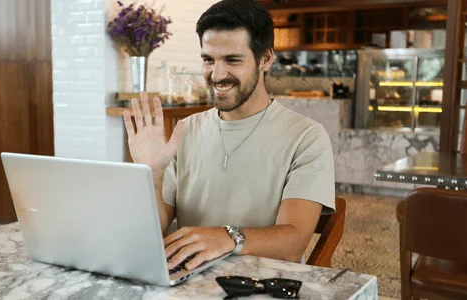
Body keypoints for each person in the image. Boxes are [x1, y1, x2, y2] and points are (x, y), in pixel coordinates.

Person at [122, 0, 335, 272]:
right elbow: (154, 227)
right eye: (209, 60)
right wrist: (152, 172)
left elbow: (293, 243)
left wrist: (226, 237)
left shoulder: (306, 137)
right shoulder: (184, 131)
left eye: (233, 60)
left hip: (264, 283)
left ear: (266, 59)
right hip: (189, 281)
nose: (217, 74)